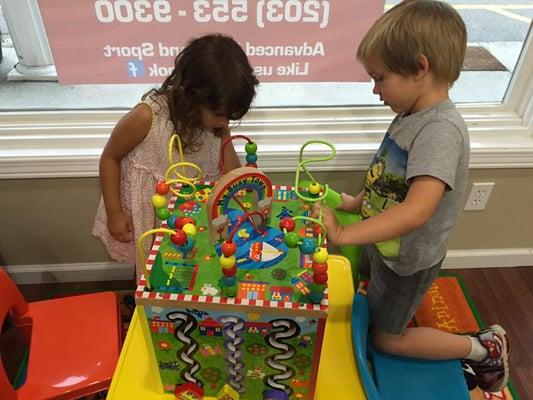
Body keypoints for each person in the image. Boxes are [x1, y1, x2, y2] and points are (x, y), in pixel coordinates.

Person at [313, 1, 509, 393]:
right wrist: (355, 205)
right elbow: (390, 177)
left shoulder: (440, 131)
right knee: (365, 282)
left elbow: (418, 209)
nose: (375, 89)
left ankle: (481, 347)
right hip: (385, 245)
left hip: (407, 261)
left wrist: (346, 234)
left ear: (420, 68)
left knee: (388, 338)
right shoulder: (412, 112)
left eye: (380, 78)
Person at [92, 33, 258, 282]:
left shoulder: (217, 122)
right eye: (220, 115)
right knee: (152, 269)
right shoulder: (147, 117)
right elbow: (109, 158)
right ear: (193, 95)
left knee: (192, 268)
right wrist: (115, 212)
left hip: (193, 211)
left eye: (229, 117)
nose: (225, 122)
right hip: (154, 214)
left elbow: (229, 162)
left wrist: (245, 190)